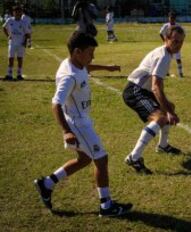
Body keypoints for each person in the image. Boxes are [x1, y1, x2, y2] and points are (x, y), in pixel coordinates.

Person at [34, 32, 132, 217]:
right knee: (101, 159)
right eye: (90, 52)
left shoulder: (74, 62)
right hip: (78, 124)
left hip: (81, 120)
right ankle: (106, 206)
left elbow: (85, 68)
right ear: (77, 52)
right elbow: (56, 104)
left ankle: (46, 184)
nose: (92, 56)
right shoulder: (69, 76)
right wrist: (66, 132)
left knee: (84, 159)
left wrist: (106, 68)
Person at [123, 26, 185, 174]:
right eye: (175, 41)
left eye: (181, 42)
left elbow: (157, 85)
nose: (178, 45)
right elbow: (156, 87)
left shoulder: (166, 53)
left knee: (169, 106)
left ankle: (163, 146)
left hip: (144, 90)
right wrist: (169, 113)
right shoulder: (163, 56)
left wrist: (168, 107)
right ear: (166, 39)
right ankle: (134, 157)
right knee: (160, 118)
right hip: (135, 90)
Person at [2, 6, 30, 81]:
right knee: (10, 58)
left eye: (19, 11)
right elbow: (4, 27)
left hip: (21, 44)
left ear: (21, 12)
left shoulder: (24, 22)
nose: (18, 13)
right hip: (12, 43)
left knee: (20, 59)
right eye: (16, 11)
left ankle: (19, 74)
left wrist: (25, 42)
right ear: (13, 12)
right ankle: (9, 74)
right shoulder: (9, 20)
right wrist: (8, 36)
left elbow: (27, 34)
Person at [159, 12, 184, 78]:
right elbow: (160, 33)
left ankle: (180, 73)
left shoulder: (178, 26)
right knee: (166, 58)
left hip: (175, 45)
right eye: (170, 18)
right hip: (168, 45)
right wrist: (164, 41)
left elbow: (183, 34)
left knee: (178, 59)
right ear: (168, 18)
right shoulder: (166, 26)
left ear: (175, 19)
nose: (171, 19)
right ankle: (166, 72)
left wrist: (179, 42)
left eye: (173, 18)